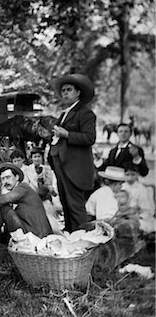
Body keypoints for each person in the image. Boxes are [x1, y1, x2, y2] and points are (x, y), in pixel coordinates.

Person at [48, 73, 96, 232]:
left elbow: (90, 138)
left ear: (78, 92)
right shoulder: (64, 113)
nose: (65, 93)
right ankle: (71, 236)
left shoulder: (85, 112)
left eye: (69, 89)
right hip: (60, 163)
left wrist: (66, 134)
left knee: (75, 205)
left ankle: (83, 239)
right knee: (66, 203)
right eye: (63, 91)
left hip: (74, 167)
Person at [0, 163, 52, 252]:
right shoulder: (17, 191)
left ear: (17, 177)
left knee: (4, 208)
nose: (5, 181)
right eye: (3, 179)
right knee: (3, 208)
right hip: (32, 231)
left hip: (36, 234)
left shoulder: (22, 187)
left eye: (8, 177)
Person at [121, 164, 155, 234]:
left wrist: (138, 217)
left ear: (137, 175)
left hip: (137, 216)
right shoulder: (121, 186)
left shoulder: (141, 189)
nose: (130, 178)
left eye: (133, 175)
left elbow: (146, 209)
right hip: (122, 215)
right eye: (127, 175)